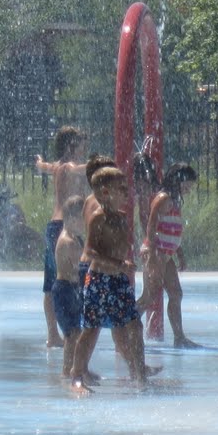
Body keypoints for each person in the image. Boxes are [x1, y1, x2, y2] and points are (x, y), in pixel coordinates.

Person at [68, 165, 153, 392]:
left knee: (134, 325)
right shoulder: (98, 218)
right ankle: (77, 375)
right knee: (91, 329)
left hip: (119, 281)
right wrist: (118, 264)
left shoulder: (123, 217)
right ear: (105, 193)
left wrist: (133, 256)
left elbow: (121, 245)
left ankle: (139, 374)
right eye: (121, 188)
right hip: (99, 281)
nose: (127, 192)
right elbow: (90, 252)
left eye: (126, 187)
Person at [35, 126, 88, 348]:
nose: (84, 148)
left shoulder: (56, 166)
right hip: (64, 228)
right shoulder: (69, 166)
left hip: (53, 226)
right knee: (68, 278)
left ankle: (53, 334)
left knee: (52, 282)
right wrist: (102, 165)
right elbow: (82, 169)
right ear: (70, 146)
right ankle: (68, 331)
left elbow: (43, 167)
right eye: (81, 144)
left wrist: (39, 162)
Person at [139, 160, 201, 348]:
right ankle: (125, 327)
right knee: (149, 296)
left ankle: (179, 338)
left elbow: (173, 230)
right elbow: (151, 226)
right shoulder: (163, 198)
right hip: (156, 252)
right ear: (178, 180)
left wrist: (179, 254)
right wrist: (152, 253)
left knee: (176, 293)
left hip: (166, 255)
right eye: (188, 183)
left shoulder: (174, 201)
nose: (190, 188)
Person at [52, 193, 87, 384]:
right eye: (83, 219)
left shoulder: (75, 238)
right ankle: (68, 370)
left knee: (76, 333)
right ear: (72, 219)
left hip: (72, 289)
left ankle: (78, 368)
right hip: (64, 290)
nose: (86, 223)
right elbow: (80, 268)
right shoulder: (68, 242)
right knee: (72, 334)